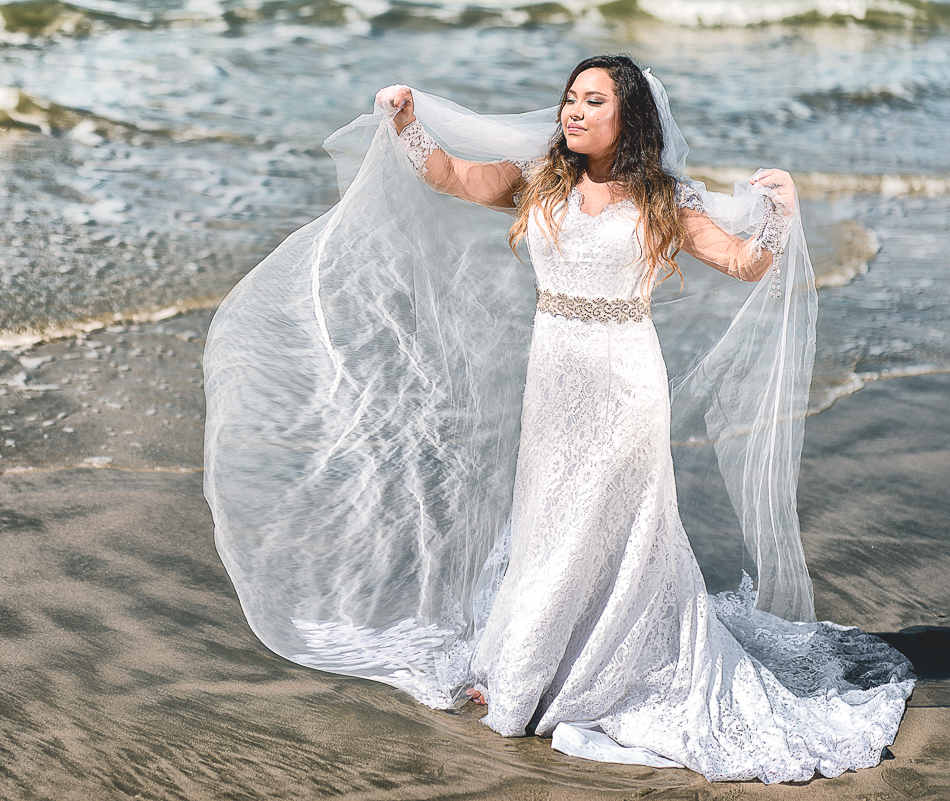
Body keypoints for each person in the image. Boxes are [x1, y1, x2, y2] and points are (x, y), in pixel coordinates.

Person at [203, 54, 913, 783]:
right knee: (549, 522)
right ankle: (530, 663)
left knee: (608, 529)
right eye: (570, 98)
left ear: (626, 117)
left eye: (593, 100)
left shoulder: (662, 198)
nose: (573, 111)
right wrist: (408, 123)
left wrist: (783, 208)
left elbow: (744, 262)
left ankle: (576, 674)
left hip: (625, 387)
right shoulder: (541, 180)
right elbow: (448, 173)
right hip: (553, 383)